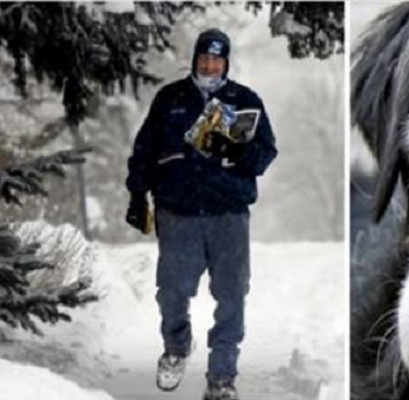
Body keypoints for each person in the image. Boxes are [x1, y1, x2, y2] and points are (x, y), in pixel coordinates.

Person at [124, 28, 277, 400]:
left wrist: (239, 152)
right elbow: (144, 148)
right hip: (178, 212)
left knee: (232, 294)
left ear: (226, 62)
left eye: (217, 59)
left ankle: (222, 376)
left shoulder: (244, 101)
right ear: (195, 59)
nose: (210, 65)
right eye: (204, 58)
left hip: (229, 214)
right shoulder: (170, 99)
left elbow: (266, 154)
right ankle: (176, 348)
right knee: (172, 292)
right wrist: (137, 194)